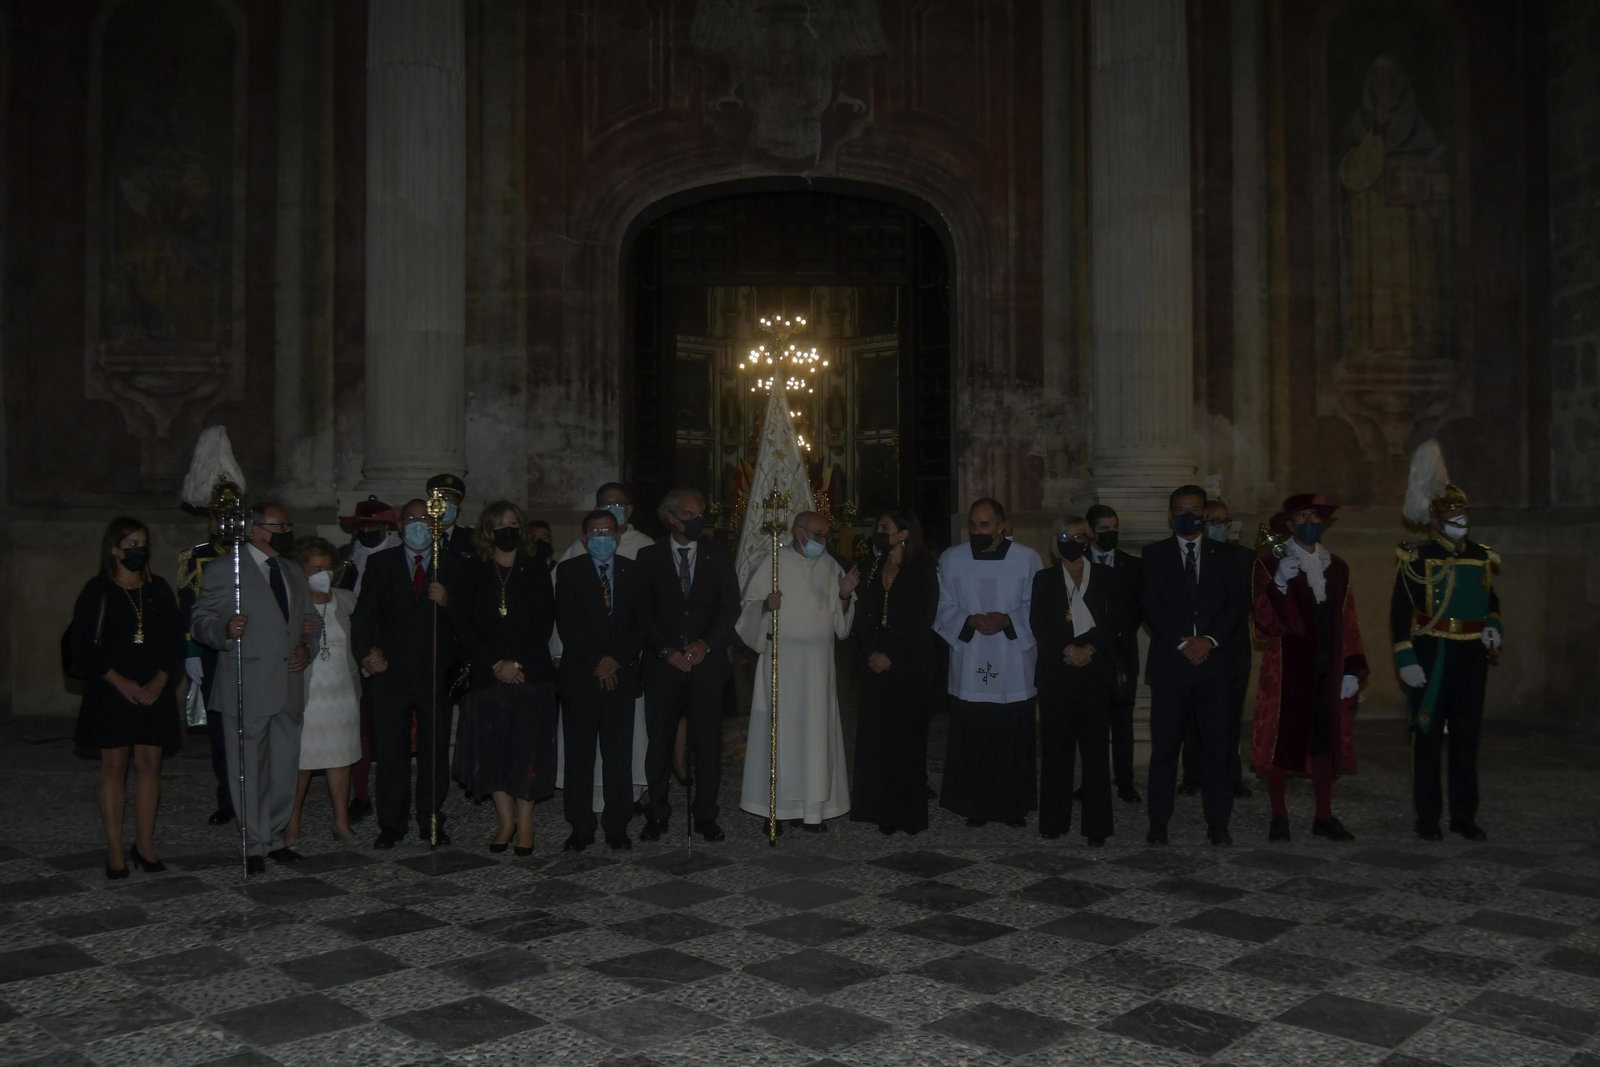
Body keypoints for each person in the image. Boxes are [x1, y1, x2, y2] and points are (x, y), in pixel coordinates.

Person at [190, 503, 318, 874]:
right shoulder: (225, 569)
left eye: (289, 526)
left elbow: (310, 620)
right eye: (281, 526)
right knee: (248, 766)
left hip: (288, 684)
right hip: (248, 682)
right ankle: (254, 841)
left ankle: (274, 836)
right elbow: (200, 621)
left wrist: (307, 648)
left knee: (283, 767)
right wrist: (224, 630)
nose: (288, 532)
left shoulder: (292, 571)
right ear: (256, 529)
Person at [1393, 440, 1501, 842]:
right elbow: (1400, 611)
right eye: (1454, 516)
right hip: (1432, 652)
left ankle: (1463, 815)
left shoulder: (1480, 556)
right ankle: (1427, 817)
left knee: (1466, 736)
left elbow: (1491, 600)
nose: (1462, 520)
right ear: (1436, 521)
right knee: (1426, 736)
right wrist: (1405, 656)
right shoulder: (1417, 558)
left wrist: (1493, 624)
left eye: (1464, 514)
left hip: (1471, 653)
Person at [71, 518, 185, 879]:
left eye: (143, 543)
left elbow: (174, 640)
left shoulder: (158, 589)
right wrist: (119, 682)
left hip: (153, 689)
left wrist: (162, 680)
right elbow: (82, 645)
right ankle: (116, 850)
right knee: (114, 767)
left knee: (149, 764)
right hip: (111, 690)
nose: (140, 550)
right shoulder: (98, 591)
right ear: (115, 550)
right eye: (132, 544)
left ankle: (145, 845)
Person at [1250, 495, 1367, 842]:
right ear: (1289, 524)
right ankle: (1279, 816)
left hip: (1328, 666)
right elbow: (1263, 623)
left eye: (1315, 516)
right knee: (1282, 741)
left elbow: (1348, 621)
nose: (1310, 522)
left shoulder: (1338, 567)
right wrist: (1279, 586)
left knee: (1324, 741)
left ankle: (1324, 816)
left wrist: (1352, 668)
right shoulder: (1269, 563)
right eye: (1302, 517)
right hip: (1287, 667)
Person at [351, 499, 463, 849]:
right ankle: (391, 823)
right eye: (410, 518)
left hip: (435, 673)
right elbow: (364, 615)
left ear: (435, 524)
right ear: (399, 526)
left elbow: (470, 620)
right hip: (392, 673)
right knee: (391, 751)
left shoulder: (453, 565)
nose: (417, 524)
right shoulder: (381, 563)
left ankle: (431, 819)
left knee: (434, 751)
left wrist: (449, 602)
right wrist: (365, 654)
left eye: (424, 518)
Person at [737, 511, 859, 831]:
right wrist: (765, 606)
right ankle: (776, 809)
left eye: (826, 536)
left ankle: (812, 811)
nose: (823, 542)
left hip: (818, 667)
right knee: (780, 735)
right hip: (782, 663)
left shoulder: (830, 566)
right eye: (817, 535)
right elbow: (746, 611)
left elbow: (842, 627)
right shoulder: (772, 563)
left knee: (815, 737)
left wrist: (845, 594)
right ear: (798, 532)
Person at [1142, 485, 1250, 846]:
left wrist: (1209, 640)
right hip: (1171, 666)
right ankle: (1159, 821)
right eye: (1180, 510)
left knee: (1218, 748)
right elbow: (1150, 605)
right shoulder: (1154, 554)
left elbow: (1236, 604)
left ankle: (1218, 822)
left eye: (1194, 510)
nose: (1188, 516)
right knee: (1165, 748)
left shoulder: (1228, 556)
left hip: (1215, 666)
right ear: (1170, 516)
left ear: (1205, 514)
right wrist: (1182, 643)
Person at [449, 501, 558, 855]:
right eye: (499, 524)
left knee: (528, 750)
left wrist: (517, 663)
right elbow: (463, 623)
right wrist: (496, 663)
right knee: (492, 749)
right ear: (487, 530)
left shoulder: (535, 567)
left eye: (512, 523)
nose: (506, 530)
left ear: (521, 529)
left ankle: (525, 823)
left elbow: (544, 620)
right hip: (487, 673)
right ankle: (505, 820)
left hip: (531, 673)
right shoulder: (472, 569)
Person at [637, 488, 741, 843]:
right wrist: (665, 650)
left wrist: (705, 644)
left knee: (708, 743)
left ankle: (706, 813)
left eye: (700, 514)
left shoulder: (718, 555)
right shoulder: (649, 556)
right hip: (663, 666)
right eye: (689, 515)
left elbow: (730, 608)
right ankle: (657, 812)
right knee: (660, 743)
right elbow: (642, 612)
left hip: (706, 665)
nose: (697, 521)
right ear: (671, 518)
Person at [935, 498, 1043, 829]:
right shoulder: (952, 558)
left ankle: (1012, 805)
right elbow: (942, 604)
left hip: (1012, 661)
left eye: (984, 524)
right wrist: (967, 620)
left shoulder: (1027, 559)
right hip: (971, 657)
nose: (977, 530)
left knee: (1011, 736)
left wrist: (1008, 620)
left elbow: (1038, 604)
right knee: (975, 735)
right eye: (972, 525)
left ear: (1002, 526)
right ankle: (974, 804)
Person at [556, 483, 653, 812]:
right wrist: (598, 661)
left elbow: (641, 622)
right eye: (595, 532)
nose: (602, 537)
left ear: (617, 536)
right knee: (579, 756)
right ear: (585, 539)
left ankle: (618, 824)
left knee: (618, 756)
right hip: (581, 676)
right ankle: (580, 825)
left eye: (608, 532)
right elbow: (567, 622)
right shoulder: (569, 571)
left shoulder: (634, 571)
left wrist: (616, 661)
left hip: (622, 677)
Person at [1033, 516, 1123, 845]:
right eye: (1064, 536)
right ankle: (1053, 821)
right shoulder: (1044, 579)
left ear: (1088, 541)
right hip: (1057, 673)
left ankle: (1097, 827)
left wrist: (1090, 650)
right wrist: (1068, 649)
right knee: (1056, 750)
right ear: (1055, 541)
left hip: (1094, 673)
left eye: (1078, 536)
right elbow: (1039, 623)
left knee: (1096, 752)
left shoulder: (1106, 576)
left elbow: (1115, 622)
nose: (1071, 542)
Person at [850, 507, 939, 836]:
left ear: (903, 533)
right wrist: (872, 651)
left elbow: (922, 619)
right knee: (879, 738)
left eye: (885, 527)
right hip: (875, 664)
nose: (878, 531)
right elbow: (862, 612)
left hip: (910, 665)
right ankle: (881, 809)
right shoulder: (872, 566)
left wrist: (893, 656)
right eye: (878, 526)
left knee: (907, 739)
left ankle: (908, 813)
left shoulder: (923, 569)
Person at [286, 537, 363, 845]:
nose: (324, 574)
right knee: (301, 761)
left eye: (328, 568)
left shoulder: (345, 599)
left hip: (341, 691)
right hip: (308, 693)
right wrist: (295, 630)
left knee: (340, 757)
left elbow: (363, 635)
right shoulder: (291, 602)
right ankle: (291, 822)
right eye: (316, 568)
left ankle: (341, 821)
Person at [1180, 499, 1256, 798]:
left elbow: (1246, 602)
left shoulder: (1245, 557)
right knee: (1192, 717)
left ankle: (1231, 776)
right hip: (1195, 647)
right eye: (1215, 522)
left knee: (1230, 719)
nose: (1221, 527)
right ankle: (1193, 775)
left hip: (1232, 649)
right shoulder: (1189, 558)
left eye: (1225, 522)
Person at [335, 495, 395, 825]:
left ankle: (391, 791)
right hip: (350, 648)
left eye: (375, 527)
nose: (369, 533)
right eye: (363, 528)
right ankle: (360, 794)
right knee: (356, 724)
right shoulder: (346, 557)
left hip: (389, 649)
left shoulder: (398, 557)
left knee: (386, 724)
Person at [175, 510, 235, 826]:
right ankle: (228, 798)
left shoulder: (255, 555)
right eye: (218, 518)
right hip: (211, 650)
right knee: (220, 728)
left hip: (251, 649)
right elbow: (189, 607)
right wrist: (191, 652)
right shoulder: (195, 557)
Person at [1085, 504, 1143, 803]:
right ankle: (1091, 781)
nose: (1111, 533)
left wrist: (1117, 631)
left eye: (1114, 528)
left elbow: (1138, 607)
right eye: (1104, 529)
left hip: (1121, 653)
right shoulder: (1079, 561)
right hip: (1088, 653)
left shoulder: (1132, 566)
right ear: (1092, 531)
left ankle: (1125, 782)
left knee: (1122, 722)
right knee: (1090, 724)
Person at [426, 473, 476, 563]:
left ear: (458, 508)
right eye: (442, 499)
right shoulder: (422, 534)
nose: (447, 504)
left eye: (453, 500)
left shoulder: (472, 538)